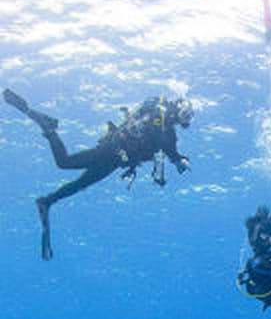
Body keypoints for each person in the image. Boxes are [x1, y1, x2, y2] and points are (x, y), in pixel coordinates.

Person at [2, 89, 193, 260]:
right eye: (185, 114)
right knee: (64, 163)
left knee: (80, 184)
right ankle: (47, 126)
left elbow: (170, 149)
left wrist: (179, 160)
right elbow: (158, 135)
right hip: (112, 149)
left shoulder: (169, 133)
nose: (184, 119)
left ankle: (48, 201)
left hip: (116, 160)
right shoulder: (158, 113)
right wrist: (174, 158)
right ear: (178, 108)